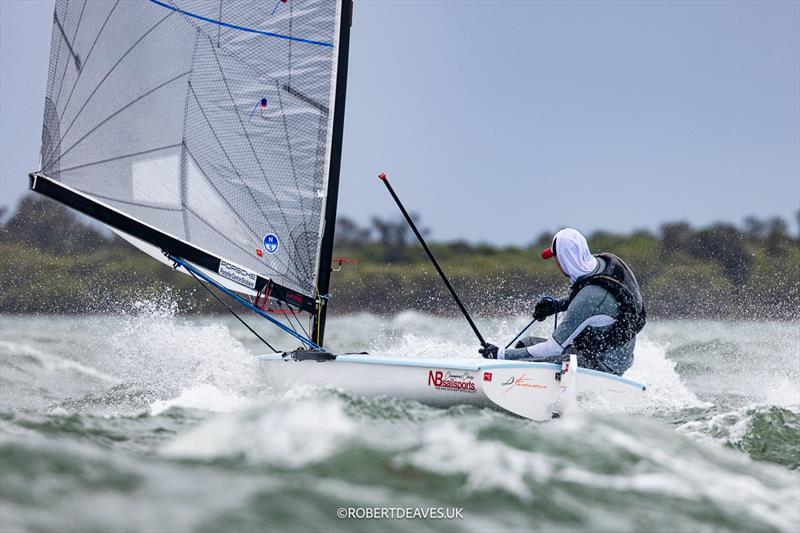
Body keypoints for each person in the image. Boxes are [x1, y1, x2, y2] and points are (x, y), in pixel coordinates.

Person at [479, 228, 646, 376]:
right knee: (526, 344)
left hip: (606, 366)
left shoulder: (589, 298)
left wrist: (500, 354)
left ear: (565, 260)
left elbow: (552, 349)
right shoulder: (601, 265)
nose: (556, 263)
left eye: (556, 258)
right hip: (607, 354)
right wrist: (557, 306)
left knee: (530, 360)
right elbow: (597, 304)